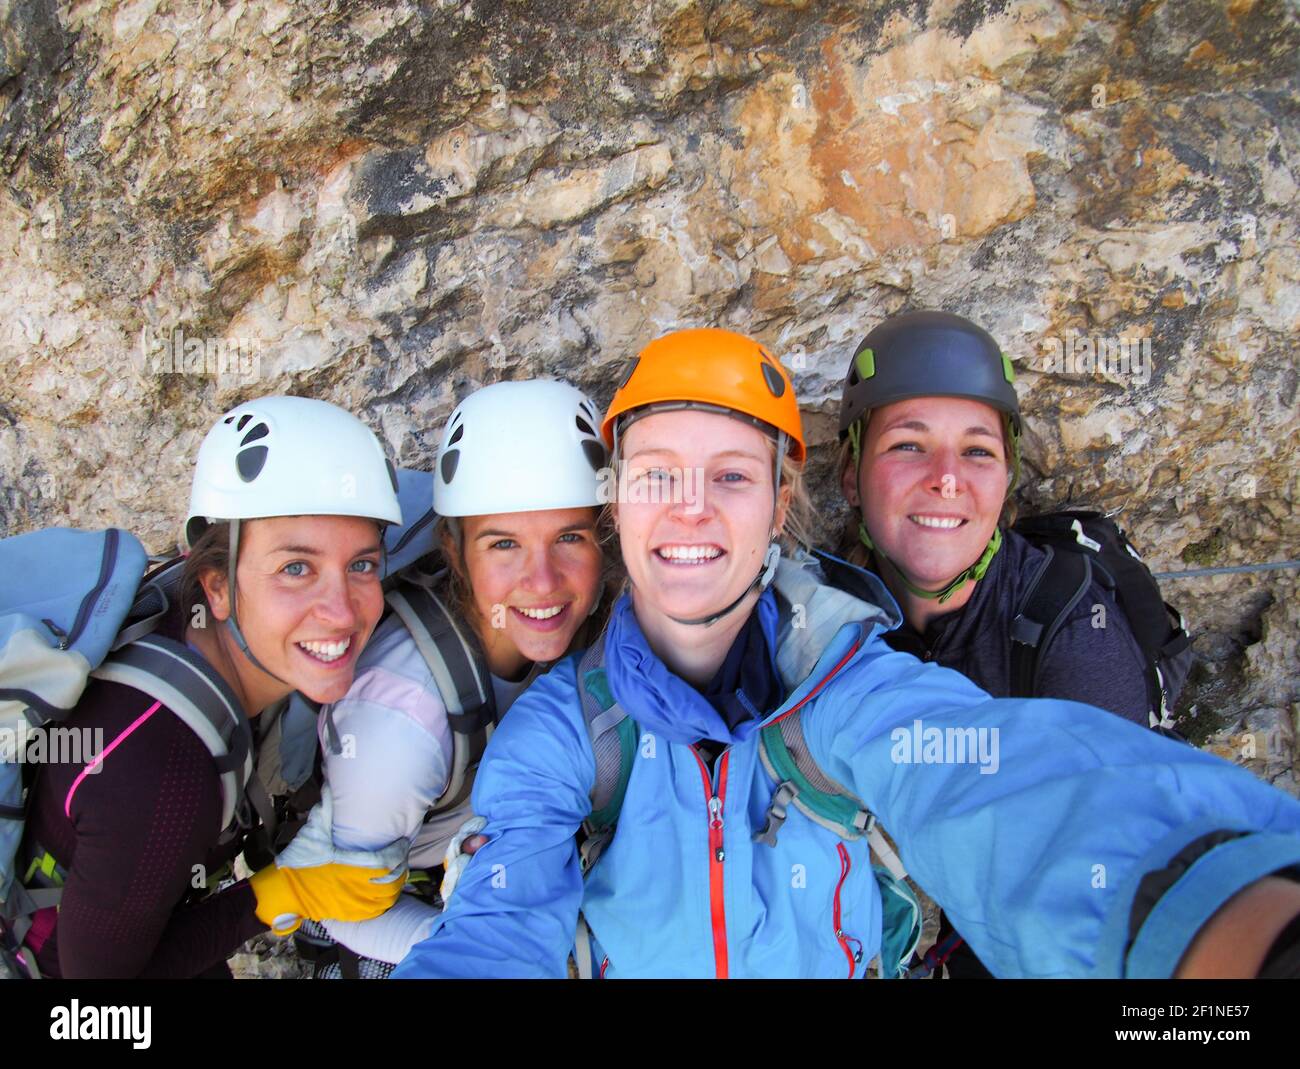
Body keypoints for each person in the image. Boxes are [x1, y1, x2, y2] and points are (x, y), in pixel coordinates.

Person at [392, 328, 1300, 979]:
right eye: (657, 472)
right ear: (617, 502)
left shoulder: (849, 689)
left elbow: (999, 784)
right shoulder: (563, 735)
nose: (692, 507)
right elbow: (499, 919)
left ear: (780, 504)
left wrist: (1214, 909)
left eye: (734, 477)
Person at [14, 396, 407, 977]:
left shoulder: (180, 623)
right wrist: (277, 896)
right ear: (217, 586)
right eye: (295, 568)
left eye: (362, 565)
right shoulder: (164, 771)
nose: (342, 611)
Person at [835, 309, 1151, 976]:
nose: (947, 477)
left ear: (1007, 482)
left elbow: (1102, 878)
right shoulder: (832, 607)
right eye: (908, 445)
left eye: (978, 450)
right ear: (848, 474)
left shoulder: (1071, 636)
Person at [290, 380, 611, 978]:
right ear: (455, 550)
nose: (543, 582)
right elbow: (336, 905)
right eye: (504, 544)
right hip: (392, 916)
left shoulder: (595, 630)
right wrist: (498, 941)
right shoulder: (400, 726)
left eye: (570, 537)